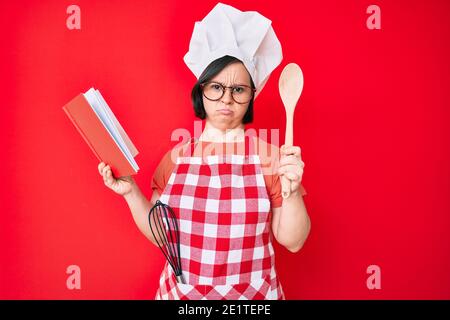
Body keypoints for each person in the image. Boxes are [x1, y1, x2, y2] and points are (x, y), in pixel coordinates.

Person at [97, 3, 310, 300]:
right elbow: (163, 235)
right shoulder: (176, 159)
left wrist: (293, 189)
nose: (226, 99)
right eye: (216, 87)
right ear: (201, 91)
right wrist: (131, 192)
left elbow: (293, 241)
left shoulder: (272, 158)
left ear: (252, 95)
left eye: (239, 90)